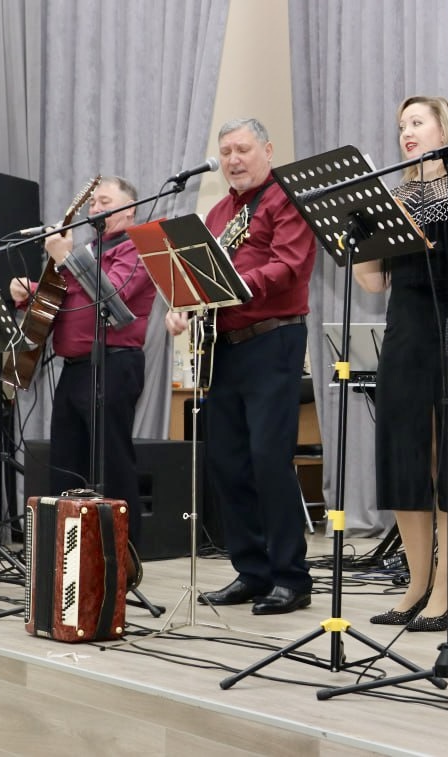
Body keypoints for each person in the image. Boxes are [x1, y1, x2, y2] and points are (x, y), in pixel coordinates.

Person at [355, 96, 448, 631]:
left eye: (417, 122)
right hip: (404, 339)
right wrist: (359, 235)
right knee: (405, 459)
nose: (407, 132)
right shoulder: (395, 197)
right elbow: (375, 283)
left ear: (446, 129)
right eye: (402, 125)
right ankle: (417, 584)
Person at [165, 117, 316, 616]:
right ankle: (252, 571)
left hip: (273, 339)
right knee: (227, 462)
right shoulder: (217, 213)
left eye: (243, 149)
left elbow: (290, 265)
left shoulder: (287, 198)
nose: (233, 159)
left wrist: (233, 285)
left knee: (269, 459)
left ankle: (291, 578)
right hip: (223, 347)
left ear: (267, 150)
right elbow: (196, 279)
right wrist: (182, 305)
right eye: (226, 151)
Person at [10, 176, 157, 545]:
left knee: (113, 463)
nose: (95, 209)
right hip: (74, 368)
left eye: (105, 201)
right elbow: (68, 298)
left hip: (114, 365)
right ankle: (67, 553)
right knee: (66, 464)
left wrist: (66, 258)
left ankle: (124, 555)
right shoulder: (88, 251)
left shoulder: (139, 246)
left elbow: (112, 295)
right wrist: (30, 292)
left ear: (130, 210)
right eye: (93, 203)